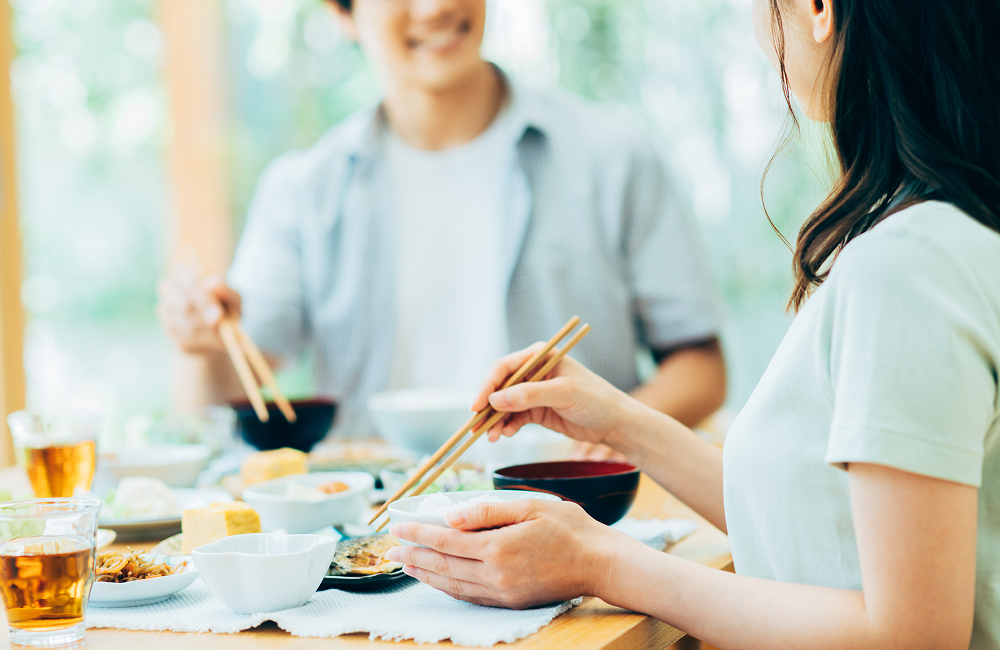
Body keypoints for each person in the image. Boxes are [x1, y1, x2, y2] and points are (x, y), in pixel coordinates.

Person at [384, 1, 1000, 648]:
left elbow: (912, 636)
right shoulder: (947, 232)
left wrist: (598, 560)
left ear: (819, 8)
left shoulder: (907, 264)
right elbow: (810, 521)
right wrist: (617, 419)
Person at [156, 0, 726, 450]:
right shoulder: (303, 190)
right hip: (377, 532)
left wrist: (612, 436)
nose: (434, 8)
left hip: (567, 506)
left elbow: (700, 366)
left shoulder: (613, 158)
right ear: (342, 13)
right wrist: (200, 343)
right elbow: (230, 396)